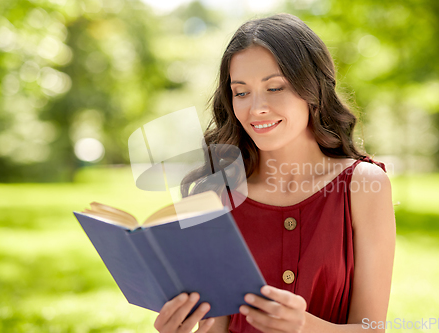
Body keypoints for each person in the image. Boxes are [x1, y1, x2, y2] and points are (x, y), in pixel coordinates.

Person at [154, 13, 395, 333]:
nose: (256, 108)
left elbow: (372, 328)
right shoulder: (218, 193)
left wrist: (304, 326)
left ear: (313, 88)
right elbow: (218, 327)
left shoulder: (363, 185)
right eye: (241, 92)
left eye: (275, 87)